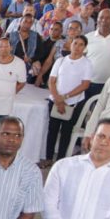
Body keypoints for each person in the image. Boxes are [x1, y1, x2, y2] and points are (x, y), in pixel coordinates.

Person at [43, 35, 92, 166]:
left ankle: (59, 161)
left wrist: (65, 98)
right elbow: (52, 81)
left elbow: (85, 84)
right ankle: (48, 158)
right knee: (52, 130)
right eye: (75, 43)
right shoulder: (60, 61)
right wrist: (58, 99)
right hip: (55, 101)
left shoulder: (86, 63)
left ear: (85, 47)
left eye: (81, 44)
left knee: (66, 132)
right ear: (70, 44)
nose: (77, 47)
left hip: (73, 103)